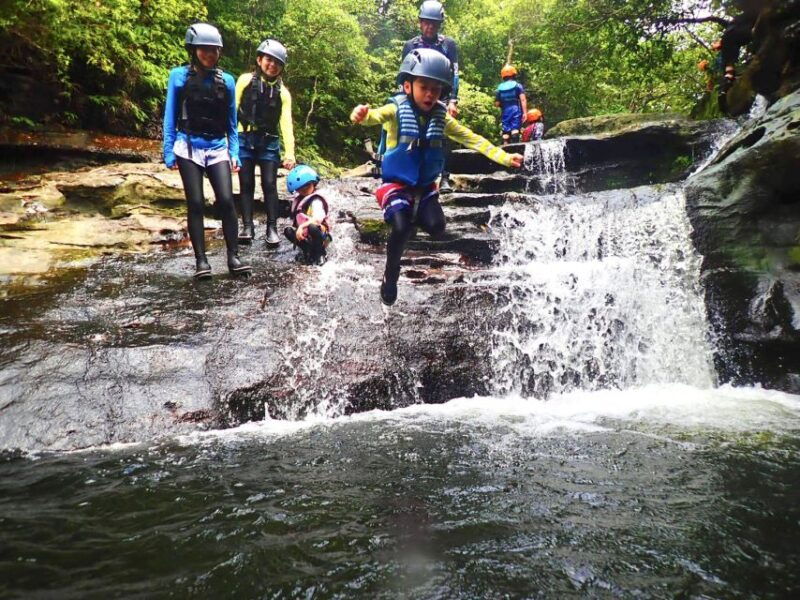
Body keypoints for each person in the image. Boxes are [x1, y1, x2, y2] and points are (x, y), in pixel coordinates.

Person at [351, 49, 524, 306]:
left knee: (436, 227)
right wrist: (361, 115)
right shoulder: (395, 110)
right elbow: (373, 116)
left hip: (425, 188)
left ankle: (413, 215)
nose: (430, 94)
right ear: (408, 86)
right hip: (396, 185)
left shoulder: (442, 119)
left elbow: (473, 139)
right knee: (400, 227)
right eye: (424, 87)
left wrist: (505, 158)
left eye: (436, 89)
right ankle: (390, 275)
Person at [163, 23, 250, 278]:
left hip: (217, 147)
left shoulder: (228, 81)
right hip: (187, 146)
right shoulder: (178, 76)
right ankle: (202, 262)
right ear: (194, 49)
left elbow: (232, 123)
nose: (209, 55)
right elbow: (170, 116)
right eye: (204, 50)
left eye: (214, 50)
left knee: (225, 200)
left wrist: (234, 152)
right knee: (197, 203)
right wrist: (169, 151)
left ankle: (233, 256)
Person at [235, 39, 295, 246]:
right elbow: (232, 110)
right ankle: (247, 226)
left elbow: (286, 123)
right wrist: (229, 142)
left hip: (269, 142)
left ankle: (271, 227)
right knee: (246, 183)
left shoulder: (283, 93)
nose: (272, 65)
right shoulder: (244, 80)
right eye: (269, 60)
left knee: (269, 184)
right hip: (244, 139)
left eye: (277, 62)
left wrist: (290, 153)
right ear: (260, 60)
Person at [401, 0, 460, 193]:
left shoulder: (448, 45)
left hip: (440, 95)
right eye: (426, 22)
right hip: (415, 95)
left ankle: (444, 177)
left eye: (434, 23)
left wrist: (453, 99)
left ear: (439, 24)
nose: (429, 26)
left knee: (442, 134)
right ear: (420, 22)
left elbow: (454, 74)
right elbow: (405, 72)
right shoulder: (411, 45)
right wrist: (405, 97)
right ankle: (410, 173)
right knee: (411, 132)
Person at [283, 165, 332, 266]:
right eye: (301, 188)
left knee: (312, 227)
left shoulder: (316, 200)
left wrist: (301, 226)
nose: (304, 190)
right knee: (288, 230)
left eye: (307, 186)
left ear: (314, 184)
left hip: (319, 234)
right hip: (305, 235)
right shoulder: (298, 200)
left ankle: (320, 254)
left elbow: (318, 219)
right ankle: (307, 249)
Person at [495, 65, 527, 144]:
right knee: (515, 130)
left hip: (505, 111)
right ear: (514, 74)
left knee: (505, 132)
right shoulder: (518, 86)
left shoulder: (499, 88)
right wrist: (525, 113)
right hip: (515, 109)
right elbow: (523, 100)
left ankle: (506, 147)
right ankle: (516, 147)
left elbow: (497, 103)